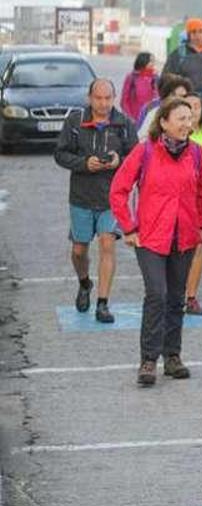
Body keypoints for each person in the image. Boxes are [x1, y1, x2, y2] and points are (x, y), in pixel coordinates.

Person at [108, 97, 202, 386]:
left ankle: (173, 357)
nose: (187, 124)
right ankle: (148, 360)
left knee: (176, 297)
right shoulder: (145, 152)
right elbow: (118, 190)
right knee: (157, 294)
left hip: (185, 235)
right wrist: (128, 227)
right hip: (151, 236)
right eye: (180, 118)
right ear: (164, 122)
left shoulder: (195, 153)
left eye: (189, 119)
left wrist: (201, 222)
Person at [54, 78, 138, 324]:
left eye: (108, 98)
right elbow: (59, 154)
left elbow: (136, 157)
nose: (103, 104)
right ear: (90, 98)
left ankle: (103, 304)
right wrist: (84, 163)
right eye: (98, 98)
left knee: (107, 244)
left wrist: (117, 161)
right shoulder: (75, 121)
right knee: (79, 250)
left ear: (114, 98)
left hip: (111, 198)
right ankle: (84, 283)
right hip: (81, 196)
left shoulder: (124, 124)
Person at [181, 93, 202, 316]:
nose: (194, 111)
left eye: (197, 106)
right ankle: (175, 292)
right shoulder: (173, 137)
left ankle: (191, 297)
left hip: (201, 197)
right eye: (189, 106)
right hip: (177, 199)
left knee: (199, 246)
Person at [162, 18, 202, 97]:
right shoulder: (179, 54)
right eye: (193, 32)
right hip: (187, 97)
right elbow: (167, 76)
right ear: (188, 35)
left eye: (201, 31)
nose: (197, 35)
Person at [121, 52, 158, 125]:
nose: (153, 63)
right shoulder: (132, 77)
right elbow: (124, 100)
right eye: (151, 61)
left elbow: (158, 98)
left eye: (154, 61)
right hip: (134, 119)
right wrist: (130, 117)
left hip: (150, 120)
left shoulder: (155, 77)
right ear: (143, 61)